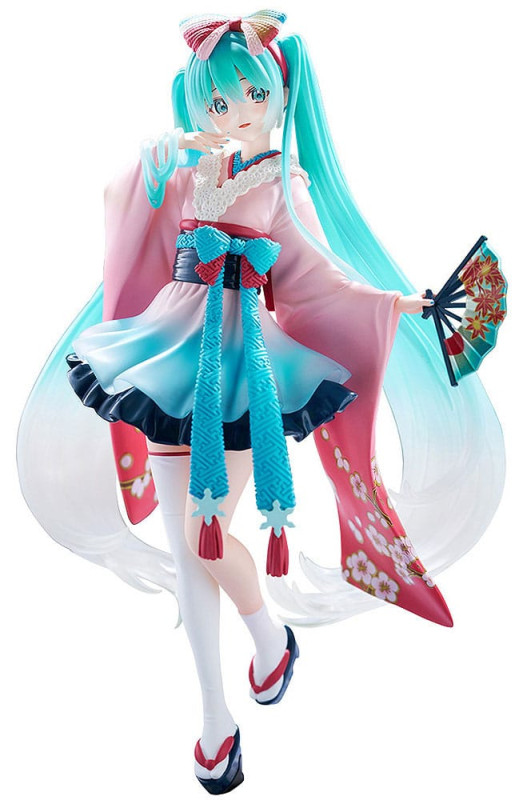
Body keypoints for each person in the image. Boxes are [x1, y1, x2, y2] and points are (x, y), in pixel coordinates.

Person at [17, 10, 505, 795]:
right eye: (219, 102)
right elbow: (116, 202)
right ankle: (216, 715)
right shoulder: (190, 166)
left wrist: (402, 306)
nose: (237, 112)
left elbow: (317, 281)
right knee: (186, 547)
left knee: (203, 540)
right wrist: (155, 160)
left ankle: (268, 635)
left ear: (278, 93)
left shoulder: (284, 186)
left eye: (251, 96)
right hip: (166, 353)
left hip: (243, 366)